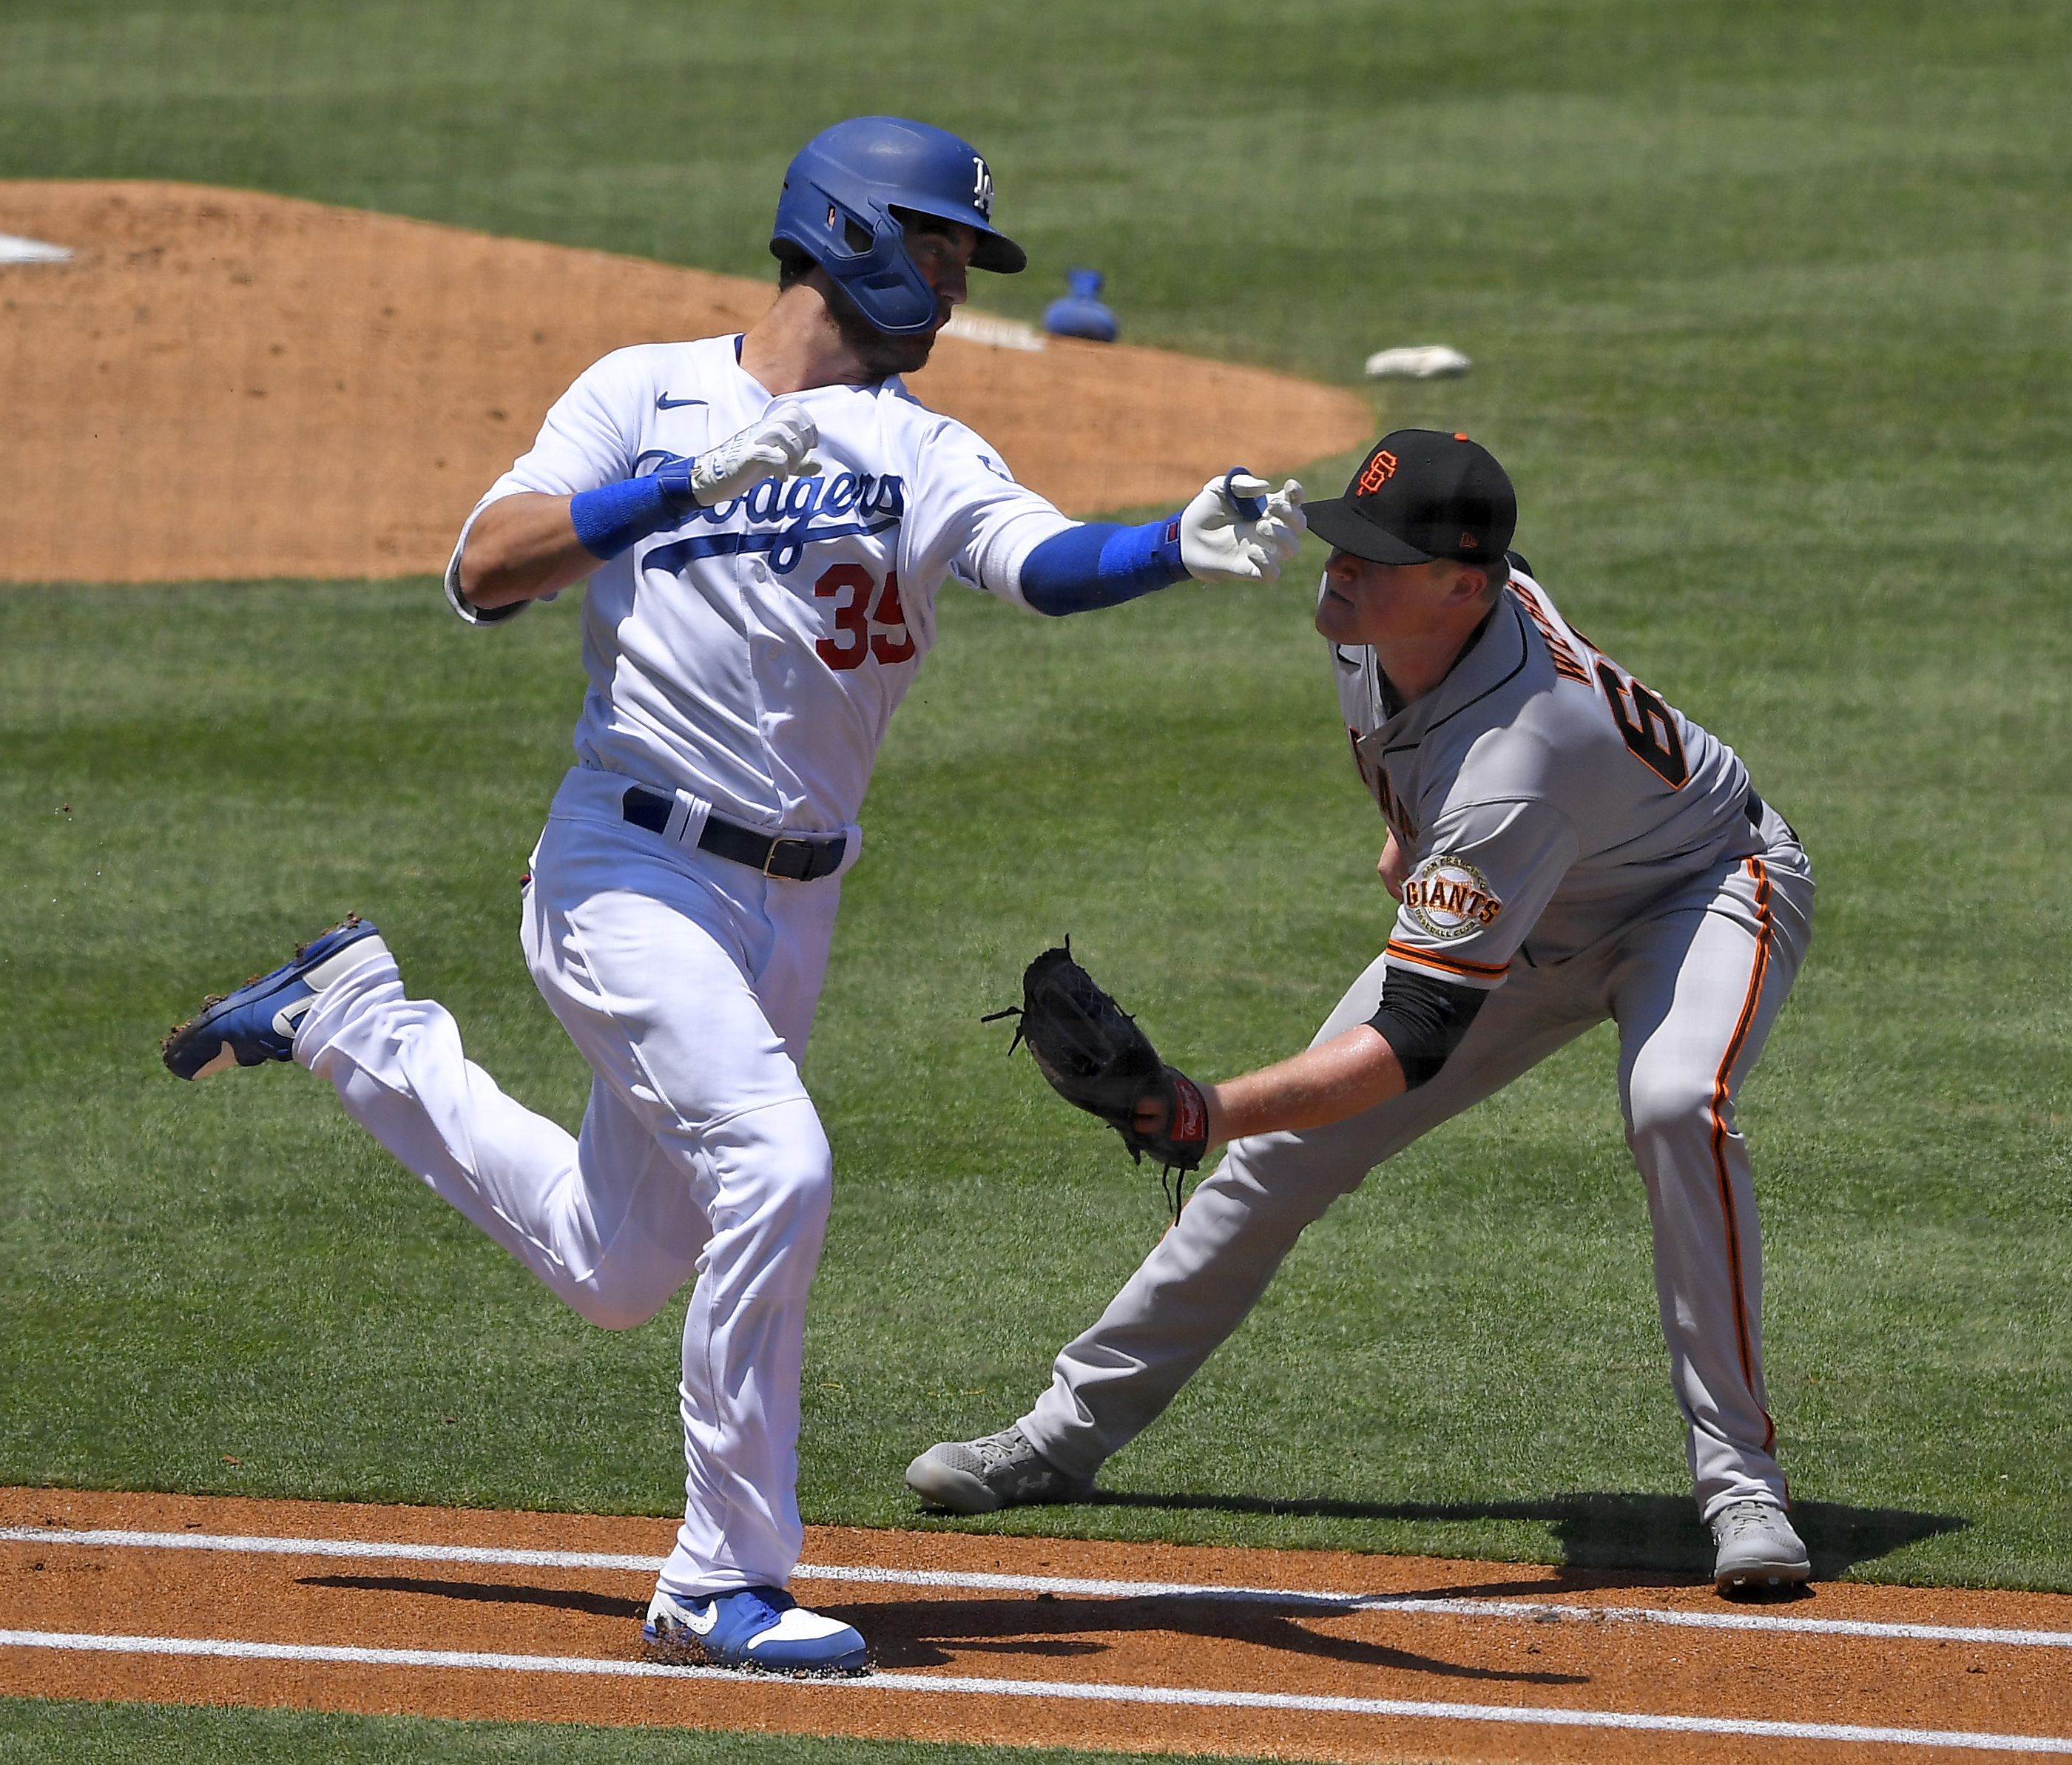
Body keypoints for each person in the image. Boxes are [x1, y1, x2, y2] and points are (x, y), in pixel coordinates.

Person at [161, 115, 1306, 1673]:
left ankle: (355, 1018)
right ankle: (720, 1580)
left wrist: (1169, 544)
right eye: (938, 244)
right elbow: (481, 569)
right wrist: (675, 484)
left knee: (618, 1265)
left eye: (966, 257)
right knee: (780, 1164)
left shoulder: (922, 450)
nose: (956, 283)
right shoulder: (640, 391)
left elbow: (1041, 562)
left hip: (789, 912)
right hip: (620, 869)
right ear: (841, 227)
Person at [905, 430, 1819, 1594]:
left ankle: (1740, 1483)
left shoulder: (1517, 760)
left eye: (1378, 558)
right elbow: (1482, 630)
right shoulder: (1389, 621)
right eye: (1345, 540)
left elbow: (1409, 1042)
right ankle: (1059, 1436)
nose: (1341, 568)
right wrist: (1416, 832)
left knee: (1674, 1102)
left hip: (1700, 889)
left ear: (1462, 587)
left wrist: (1200, 1108)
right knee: (1279, 1161)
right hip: (1528, 891)